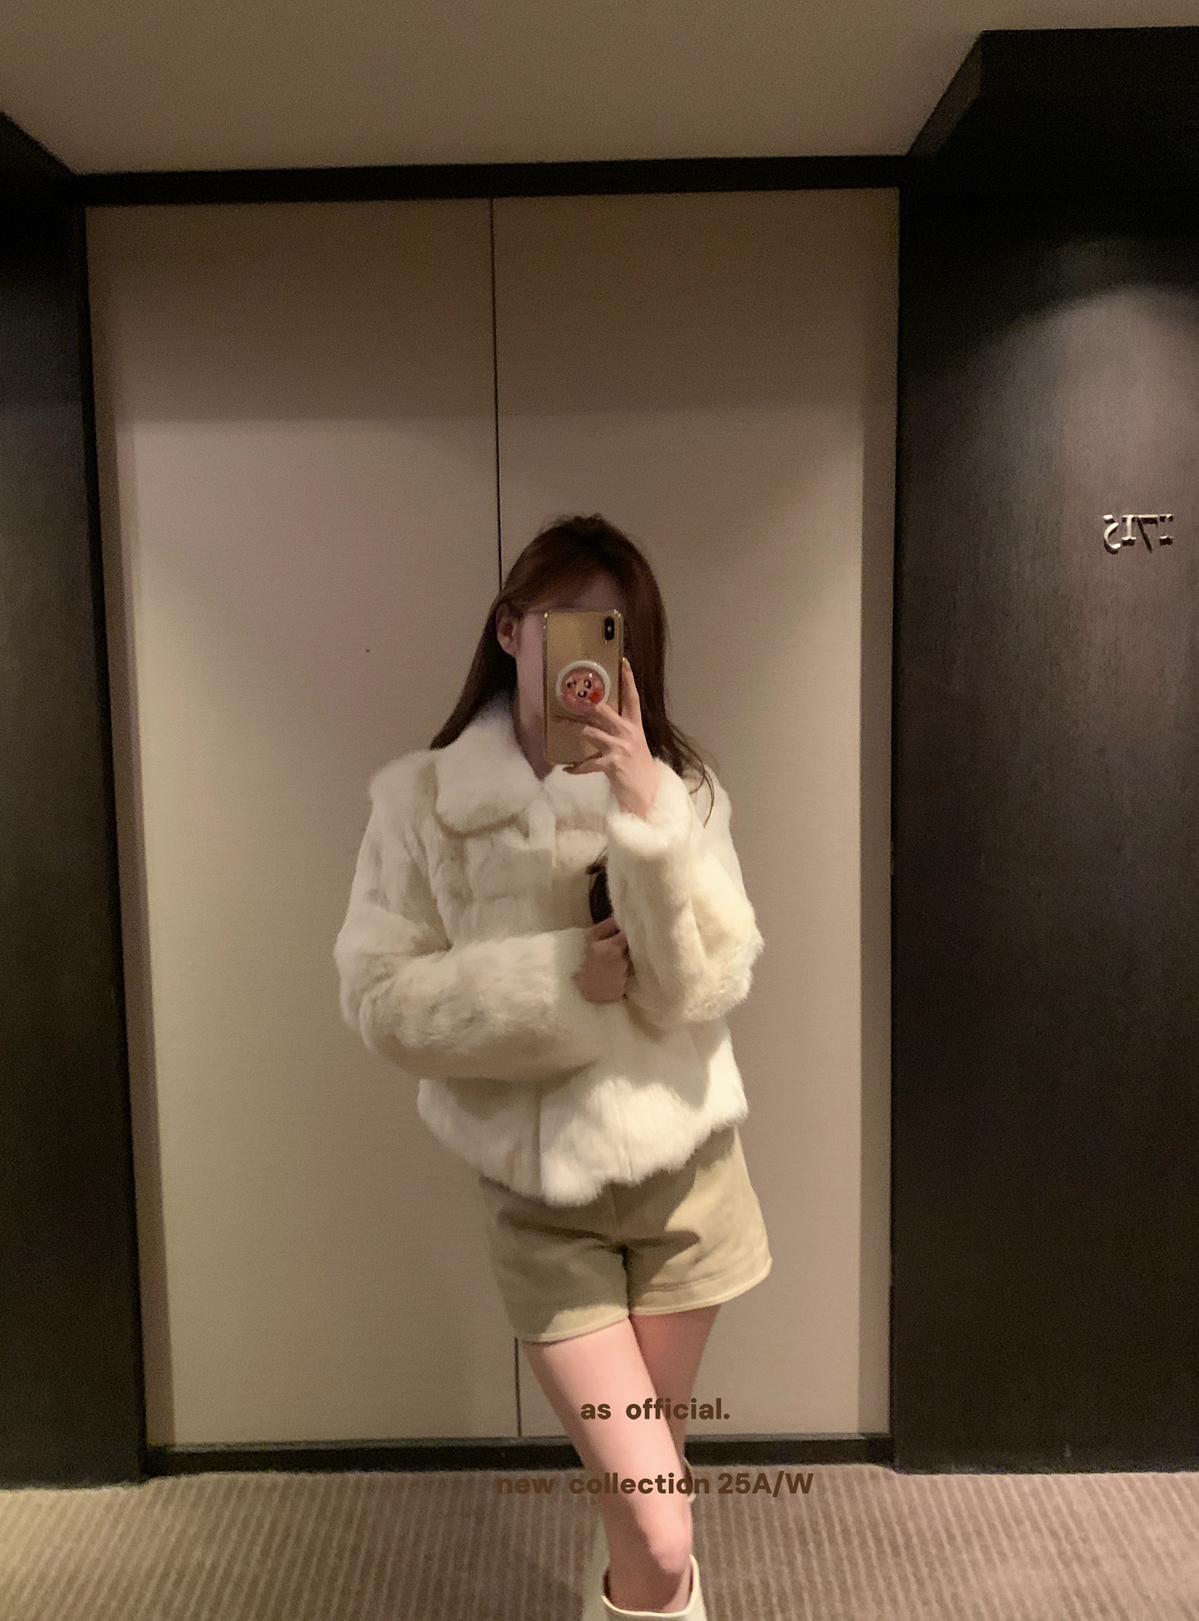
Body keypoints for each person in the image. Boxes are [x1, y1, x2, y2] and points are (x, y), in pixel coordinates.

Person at [334, 513, 771, 1619]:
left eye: (611, 629)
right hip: (545, 1212)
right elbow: (379, 1000)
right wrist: (555, 983)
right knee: (660, 1522)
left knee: (642, 1502)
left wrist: (646, 818)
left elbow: (706, 984)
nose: (585, 652)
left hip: (688, 1187)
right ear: (508, 628)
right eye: (564, 620)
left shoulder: (677, 787)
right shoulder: (421, 802)